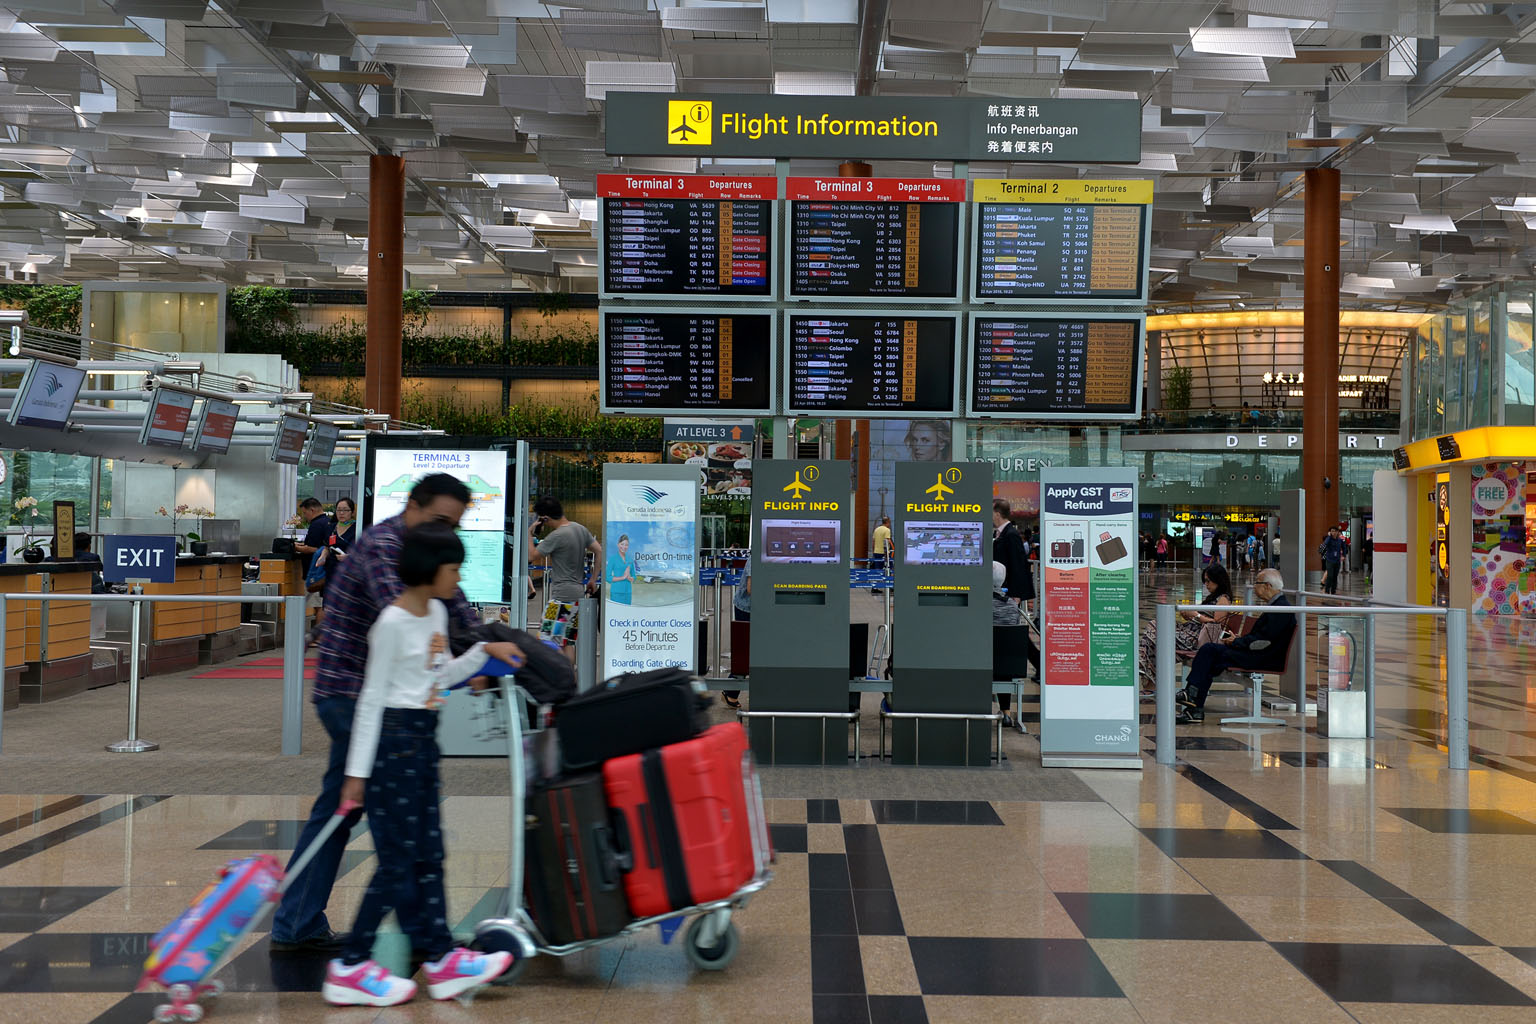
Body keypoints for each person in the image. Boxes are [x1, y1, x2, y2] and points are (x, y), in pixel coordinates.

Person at [271, 474, 482, 957]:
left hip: (381, 701)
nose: (448, 532)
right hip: (354, 697)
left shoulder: (425, 552)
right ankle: (423, 941)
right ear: (412, 505)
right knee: (392, 824)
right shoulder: (386, 548)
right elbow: (412, 614)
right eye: (441, 521)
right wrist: (477, 650)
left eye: (455, 525)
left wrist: (487, 645)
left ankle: (297, 921)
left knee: (343, 809)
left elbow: (454, 608)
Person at [322, 522, 522, 1006]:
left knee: (430, 855)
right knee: (396, 863)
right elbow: (370, 700)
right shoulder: (390, 623)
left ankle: (440, 959)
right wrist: (356, 776)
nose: (458, 578)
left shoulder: (433, 611)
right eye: (453, 568)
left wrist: (481, 654)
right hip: (392, 745)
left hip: (423, 740)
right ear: (430, 569)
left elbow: (440, 675)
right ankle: (350, 965)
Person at [1176, 568, 1295, 723]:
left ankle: (1192, 695)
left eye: (1256, 583)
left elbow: (1262, 642)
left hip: (1262, 657)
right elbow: (1262, 637)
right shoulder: (1277, 606)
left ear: (1267, 586)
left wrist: (1237, 642)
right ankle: (1194, 708)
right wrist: (1238, 639)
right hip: (1257, 652)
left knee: (1209, 650)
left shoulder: (1281, 609)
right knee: (1210, 657)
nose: (1254, 587)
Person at [527, 497, 601, 661]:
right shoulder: (579, 529)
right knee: (566, 641)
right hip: (577, 594)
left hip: (561, 596)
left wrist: (529, 532)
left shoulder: (557, 536)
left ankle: (560, 677)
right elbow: (599, 550)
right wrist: (593, 579)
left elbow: (531, 556)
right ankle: (570, 681)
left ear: (545, 518)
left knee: (546, 639)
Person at [1139, 563, 1234, 689]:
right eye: (1204, 581)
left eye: (1208, 581)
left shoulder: (1223, 599)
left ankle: (1144, 668)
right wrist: (1191, 616)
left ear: (1218, 580)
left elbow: (1216, 625)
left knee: (1157, 636)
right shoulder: (1214, 597)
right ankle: (1147, 673)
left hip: (1196, 637)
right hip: (1190, 631)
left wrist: (1196, 616)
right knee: (1155, 630)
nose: (1206, 584)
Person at [991, 560, 1038, 728]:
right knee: (1003, 656)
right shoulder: (1012, 607)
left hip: (985, 663)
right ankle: (1006, 713)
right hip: (1008, 667)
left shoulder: (982, 604)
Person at [992, 499, 1034, 614]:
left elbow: (1018, 565)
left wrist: (1016, 594)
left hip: (1008, 592)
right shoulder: (999, 533)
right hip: (1000, 589)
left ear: (997, 514)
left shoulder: (1011, 535)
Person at [721, 557, 750, 709]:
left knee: (747, 653)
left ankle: (731, 691)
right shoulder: (756, 557)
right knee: (746, 653)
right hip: (747, 610)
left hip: (753, 608)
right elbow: (752, 588)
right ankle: (731, 691)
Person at [605, 533, 635, 605]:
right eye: (622, 544)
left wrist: (630, 578)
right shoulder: (613, 559)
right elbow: (607, 577)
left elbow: (634, 576)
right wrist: (623, 577)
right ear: (618, 544)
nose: (624, 547)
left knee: (627, 614)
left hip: (628, 592)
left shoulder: (630, 560)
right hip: (616, 592)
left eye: (626, 545)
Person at [870, 515, 892, 595]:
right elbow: (887, 542)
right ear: (887, 522)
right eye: (889, 522)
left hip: (876, 552)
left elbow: (873, 542)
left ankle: (874, 587)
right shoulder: (887, 530)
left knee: (877, 570)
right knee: (890, 569)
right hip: (884, 553)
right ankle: (890, 586)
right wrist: (887, 554)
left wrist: (874, 551)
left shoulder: (876, 529)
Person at [1320, 526, 1344, 595]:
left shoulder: (1340, 540)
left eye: (1334, 531)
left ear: (1337, 532)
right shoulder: (1328, 539)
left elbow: (1344, 547)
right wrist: (1329, 536)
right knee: (1330, 575)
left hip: (1337, 560)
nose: (1333, 532)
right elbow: (1325, 543)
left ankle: (1333, 591)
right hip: (1329, 560)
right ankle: (1327, 590)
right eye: (1331, 531)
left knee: (1335, 576)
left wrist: (1344, 555)